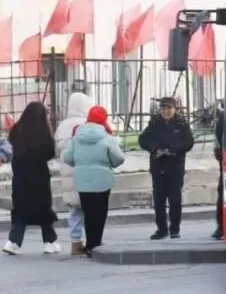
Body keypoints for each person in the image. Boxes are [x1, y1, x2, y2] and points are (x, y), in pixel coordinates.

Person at [62, 106, 125, 257]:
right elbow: (119, 158)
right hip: (103, 181)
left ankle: (90, 245)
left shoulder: (77, 137)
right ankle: (95, 244)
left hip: (82, 182)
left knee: (88, 214)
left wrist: (81, 165)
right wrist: (109, 164)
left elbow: (67, 157)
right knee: (100, 213)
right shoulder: (106, 137)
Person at [3, 102, 60, 255]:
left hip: (20, 177)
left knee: (20, 210)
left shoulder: (17, 130)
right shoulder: (43, 131)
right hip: (39, 177)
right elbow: (50, 152)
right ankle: (49, 242)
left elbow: (11, 144)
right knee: (43, 210)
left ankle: (14, 242)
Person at [138, 97, 194, 240]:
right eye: (163, 108)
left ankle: (174, 229)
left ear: (174, 109)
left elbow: (188, 142)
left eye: (169, 108)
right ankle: (161, 229)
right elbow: (143, 140)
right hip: (158, 166)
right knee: (159, 200)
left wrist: (173, 149)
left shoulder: (181, 124)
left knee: (175, 200)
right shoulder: (154, 123)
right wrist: (154, 148)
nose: (166, 111)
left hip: (175, 166)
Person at [55, 92, 93, 256]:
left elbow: (57, 150)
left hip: (66, 173)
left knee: (74, 209)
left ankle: (75, 242)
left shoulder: (62, 126)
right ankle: (91, 241)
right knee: (89, 208)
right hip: (84, 172)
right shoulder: (86, 125)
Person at [212, 105, 224, 240]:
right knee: (223, 192)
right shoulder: (225, 115)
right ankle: (221, 226)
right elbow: (217, 138)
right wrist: (220, 155)